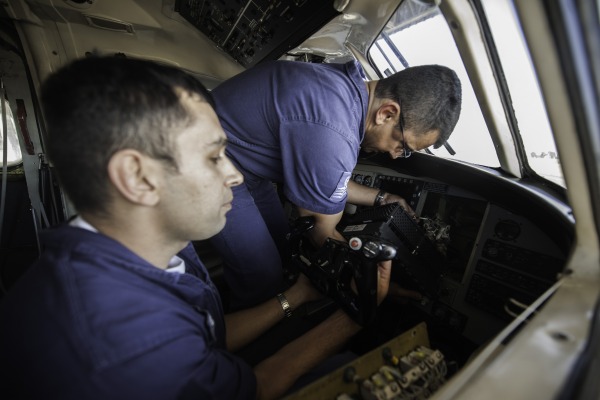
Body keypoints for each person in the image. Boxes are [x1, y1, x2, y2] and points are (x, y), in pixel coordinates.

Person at [0, 56, 392, 400]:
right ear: (137, 176)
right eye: (214, 156)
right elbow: (253, 388)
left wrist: (299, 294)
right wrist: (355, 317)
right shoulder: (127, 338)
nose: (235, 175)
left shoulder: (155, 250)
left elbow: (204, 334)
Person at [210, 60, 462, 309]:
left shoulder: (342, 87)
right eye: (403, 146)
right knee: (263, 276)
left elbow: (322, 179)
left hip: (245, 162)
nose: (396, 155)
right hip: (209, 162)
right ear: (387, 114)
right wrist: (377, 286)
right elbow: (320, 230)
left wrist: (383, 198)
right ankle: (223, 341)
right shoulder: (335, 131)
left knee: (285, 247)